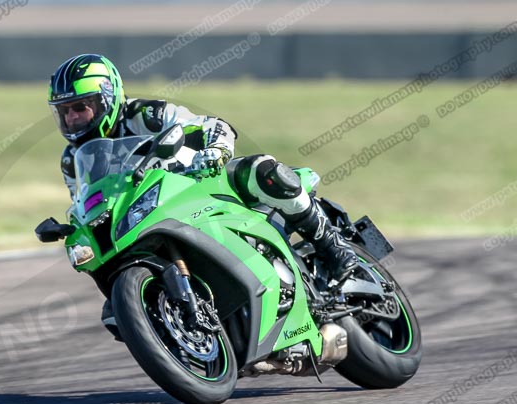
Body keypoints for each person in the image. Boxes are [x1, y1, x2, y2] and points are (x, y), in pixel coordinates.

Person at [48, 54, 358, 337]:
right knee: (115, 313)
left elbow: (214, 126)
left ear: (107, 98)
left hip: (202, 183)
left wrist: (215, 152)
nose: (73, 119)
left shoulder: (147, 114)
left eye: (80, 107)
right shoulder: (71, 161)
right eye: (65, 112)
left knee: (262, 170)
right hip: (149, 212)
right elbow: (88, 201)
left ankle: (332, 246)